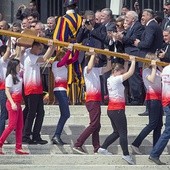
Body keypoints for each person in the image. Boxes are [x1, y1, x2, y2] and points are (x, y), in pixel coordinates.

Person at [97, 56, 136, 165]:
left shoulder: (110, 78)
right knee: (123, 133)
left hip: (112, 109)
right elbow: (130, 73)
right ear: (116, 71)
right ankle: (126, 154)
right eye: (121, 72)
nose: (122, 75)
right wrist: (133, 61)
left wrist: (126, 62)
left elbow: (125, 73)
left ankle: (103, 148)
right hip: (117, 110)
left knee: (117, 132)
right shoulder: (116, 79)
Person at [73, 49, 112, 154]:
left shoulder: (97, 70)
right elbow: (89, 66)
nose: (97, 59)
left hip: (97, 100)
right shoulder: (86, 69)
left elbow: (108, 68)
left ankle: (96, 147)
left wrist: (108, 56)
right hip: (91, 99)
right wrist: (93, 55)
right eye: (96, 58)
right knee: (94, 124)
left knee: (97, 125)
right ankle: (78, 144)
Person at [22, 40, 55, 144]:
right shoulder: (29, 56)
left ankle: (36, 135)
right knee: (31, 113)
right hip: (31, 88)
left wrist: (53, 47)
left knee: (40, 113)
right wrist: (51, 47)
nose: (40, 50)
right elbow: (44, 58)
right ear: (34, 47)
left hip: (37, 89)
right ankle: (26, 136)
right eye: (39, 48)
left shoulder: (29, 53)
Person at [131, 53, 163, 155]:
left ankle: (156, 148)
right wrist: (154, 67)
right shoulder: (146, 71)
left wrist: (159, 66)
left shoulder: (157, 71)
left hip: (159, 99)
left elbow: (165, 75)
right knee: (152, 124)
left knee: (159, 125)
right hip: (152, 99)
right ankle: (136, 143)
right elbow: (152, 80)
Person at [51, 44, 79, 145]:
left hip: (62, 90)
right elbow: (62, 62)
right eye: (63, 56)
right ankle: (56, 135)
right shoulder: (56, 64)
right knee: (66, 114)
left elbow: (74, 59)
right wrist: (69, 51)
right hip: (59, 90)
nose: (65, 58)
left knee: (65, 114)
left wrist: (77, 50)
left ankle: (57, 135)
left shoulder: (63, 63)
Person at [0, 58, 29, 155]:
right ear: (13, 66)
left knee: (20, 126)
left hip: (18, 104)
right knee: (12, 125)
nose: (19, 67)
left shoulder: (19, 76)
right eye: (17, 65)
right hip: (12, 102)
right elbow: (7, 91)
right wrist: (12, 103)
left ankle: (18, 147)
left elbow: (22, 66)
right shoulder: (9, 77)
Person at [149, 63, 170, 165]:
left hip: (166, 101)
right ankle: (155, 154)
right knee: (168, 131)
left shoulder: (165, 69)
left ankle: (155, 154)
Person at [0, 38, 11, 137]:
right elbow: (8, 51)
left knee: (6, 113)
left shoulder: (8, 61)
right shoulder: (2, 61)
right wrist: (10, 38)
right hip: (3, 90)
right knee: (4, 113)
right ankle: (1, 135)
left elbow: (16, 53)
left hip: (8, 89)